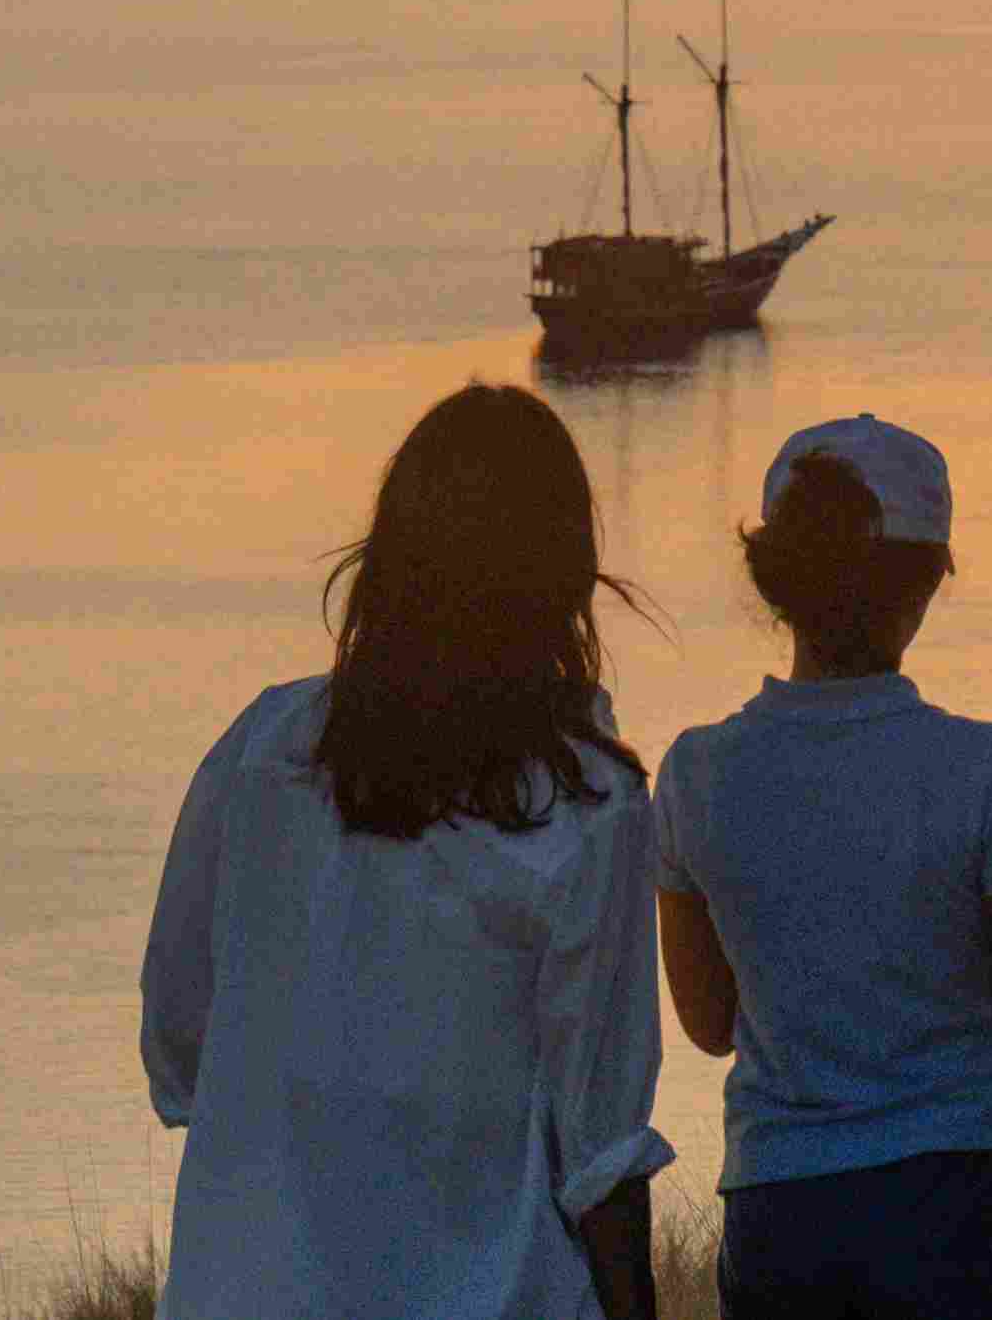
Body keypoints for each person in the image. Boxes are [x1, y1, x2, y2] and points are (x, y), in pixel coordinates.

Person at [141, 383, 672, 1320]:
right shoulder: (588, 802)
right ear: (562, 575)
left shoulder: (264, 749)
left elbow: (181, 1035)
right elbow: (601, 1147)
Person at [653, 414, 992, 1320]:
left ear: (777, 577)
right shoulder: (988, 769)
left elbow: (709, 1023)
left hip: (782, 1203)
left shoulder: (696, 771)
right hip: (962, 1197)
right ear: (927, 584)